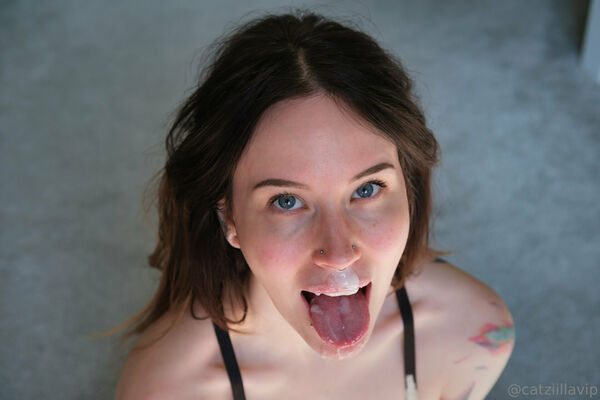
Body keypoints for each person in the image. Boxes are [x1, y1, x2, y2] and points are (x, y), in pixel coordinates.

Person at [113, 10, 515, 400]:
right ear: (228, 216)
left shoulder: (472, 336)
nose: (338, 254)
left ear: (407, 189)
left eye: (367, 189)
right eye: (287, 201)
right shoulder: (170, 390)